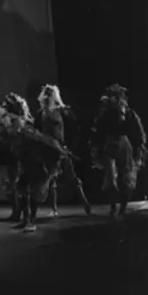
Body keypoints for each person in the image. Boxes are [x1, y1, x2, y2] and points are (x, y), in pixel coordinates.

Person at [0, 92, 67, 232]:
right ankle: (26, 220)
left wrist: (55, 150)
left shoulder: (23, 127)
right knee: (21, 187)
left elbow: (41, 140)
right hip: (26, 160)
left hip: (36, 160)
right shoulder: (14, 125)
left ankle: (31, 221)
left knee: (31, 189)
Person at [90, 84, 148, 216]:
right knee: (110, 177)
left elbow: (138, 130)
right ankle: (113, 206)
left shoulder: (128, 112)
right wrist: (95, 147)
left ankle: (122, 207)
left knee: (126, 177)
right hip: (110, 144)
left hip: (124, 144)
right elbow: (97, 131)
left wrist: (140, 146)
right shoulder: (104, 113)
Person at [35, 84, 91, 217]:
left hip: (61, 148)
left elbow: (74, 129)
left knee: (72, 176)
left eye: (50, 94)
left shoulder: (63, 111)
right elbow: (39, 131)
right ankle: (54, 209)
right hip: (48, 149)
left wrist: (69, 146)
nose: (47, 97)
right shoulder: (41, 113)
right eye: (46, 94)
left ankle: (85, 202)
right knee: (51, 178)